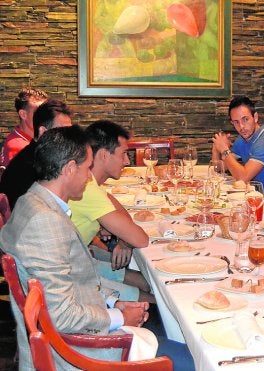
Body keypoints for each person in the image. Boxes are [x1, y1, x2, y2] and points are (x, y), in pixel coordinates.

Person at [0, 126, 150, 369]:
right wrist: (120, 317)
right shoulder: (44, 221)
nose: (90, 177)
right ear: (69, 169)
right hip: (73, 352)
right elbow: (61, 315)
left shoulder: (34, 199)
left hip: (75, 331)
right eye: (87, 168)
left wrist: (112, 303)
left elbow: (76, 282)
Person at [68, 120, 152, 302]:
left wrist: (122, 237)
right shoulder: (87, 188)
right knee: (154, 297)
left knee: (149, 283)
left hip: (79, 262)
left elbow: (123, 215)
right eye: (123, 154)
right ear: (105, 155)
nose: (127, 161)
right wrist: (125, 237)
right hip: (73, 277)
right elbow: (141, 239)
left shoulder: (89, 182)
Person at [211, 95, 264, 200]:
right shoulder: (242, 139)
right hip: (253, 197)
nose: (241, 127)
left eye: (245, 119)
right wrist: (216, 147)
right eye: (236, 122)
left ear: (255, 117)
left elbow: (242, 178)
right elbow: (221, 169)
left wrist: (225, 150)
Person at [0, 98, 73, 209]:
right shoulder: (32, 164)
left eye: (69, 131)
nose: (69, 138)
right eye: (62, 132)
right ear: (43, 132)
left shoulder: (39, 154)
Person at [1, 87, 48, 167]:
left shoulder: (33, 139)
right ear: (23, 114)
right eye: (39, 112)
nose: (46, 116)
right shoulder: (18, 149)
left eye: (46, 111)